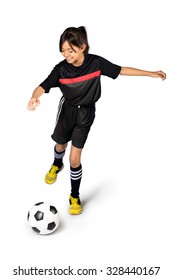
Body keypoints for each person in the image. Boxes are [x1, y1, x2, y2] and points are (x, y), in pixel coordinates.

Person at [27, 26, 166, 215]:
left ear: (82, 47)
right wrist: (35, 97)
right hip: (67, 111)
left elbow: (121, 70)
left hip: (85, 114)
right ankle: (56, 164)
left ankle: (74, 196)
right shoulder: (60, 70)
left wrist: (151, 73)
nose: (66, 54)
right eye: (63, 50)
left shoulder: (96, 63)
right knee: (60, 145)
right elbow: (42, 86)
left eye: (70, 50)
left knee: (74, 158)